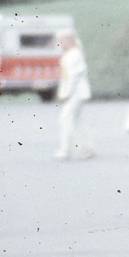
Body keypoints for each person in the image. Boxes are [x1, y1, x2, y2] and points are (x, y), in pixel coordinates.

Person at [54, 29, 94, 161]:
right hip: (76, 92)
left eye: (61, 41)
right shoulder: (71, 54)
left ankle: (66, 150)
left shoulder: (74, 55)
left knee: (66, 118)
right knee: (78, 121)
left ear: (69, 41)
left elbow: (74, 76)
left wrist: (67, 93)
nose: (60, 44)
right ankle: (86, 148)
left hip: (76, 92)